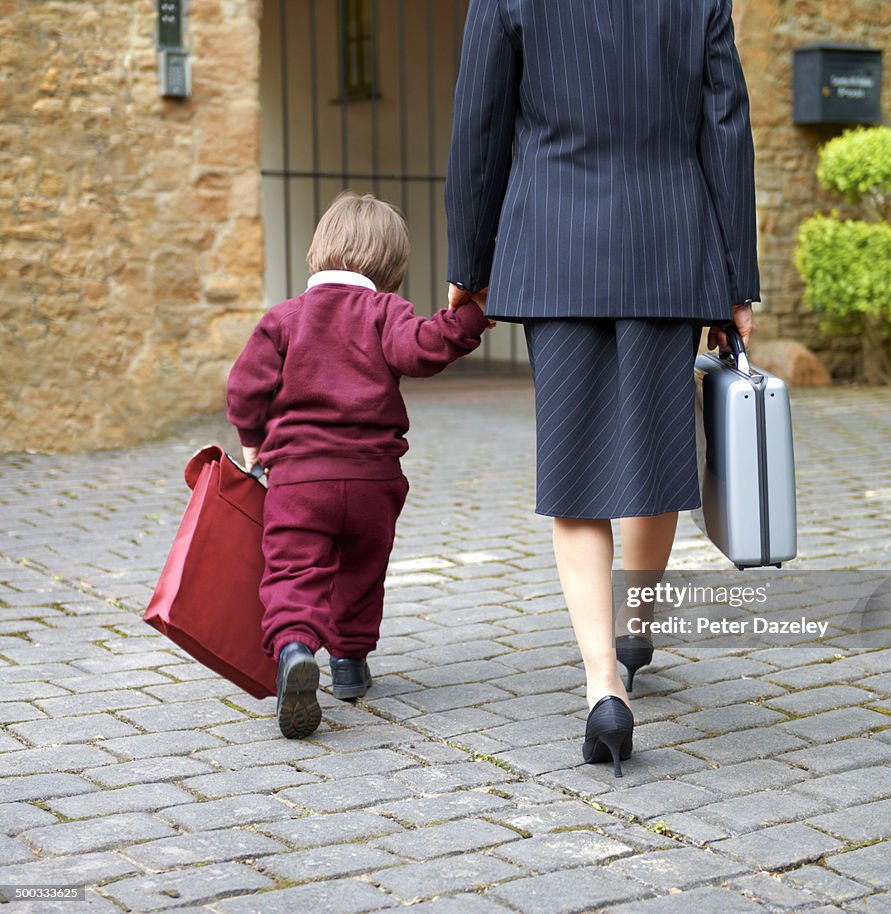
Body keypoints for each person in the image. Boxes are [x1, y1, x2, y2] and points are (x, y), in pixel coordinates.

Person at [445, 0, 759, 776]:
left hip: (553, 249)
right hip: (669, 244)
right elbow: (726, 127)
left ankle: (602, 686)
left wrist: (468, 264)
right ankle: (636, 622)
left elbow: (480, 126)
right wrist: (736, 278)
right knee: (655, 457)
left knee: (576, 477)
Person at [226, 192, 488, 739]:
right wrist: (472, 315)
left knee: (294, 571)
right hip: (373, 480)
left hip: (299, 480)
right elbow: (423, 348)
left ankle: (297, 647)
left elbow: (245, 386)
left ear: (317, 252)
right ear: (392, 267)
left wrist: (253, 440)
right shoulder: (385, 311)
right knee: (362, 571)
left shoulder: (283, 319)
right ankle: (349, 664)